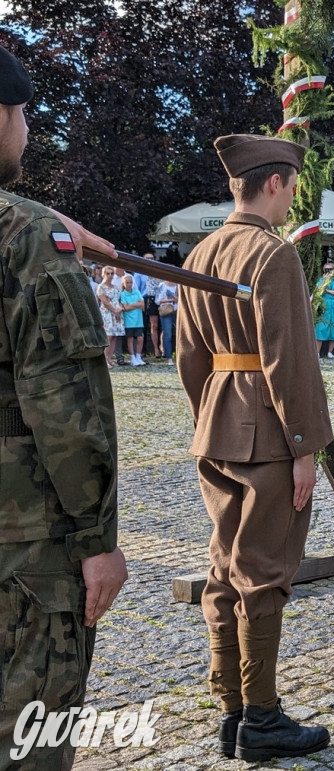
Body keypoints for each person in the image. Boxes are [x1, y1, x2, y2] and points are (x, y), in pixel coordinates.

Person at [176, 134, 334, 762]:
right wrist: (305, 447)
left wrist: (209, 416)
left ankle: (231, 712)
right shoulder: (273, 255)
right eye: (292, 184)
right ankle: (262, 719)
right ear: (274, 183)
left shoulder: (204, 250)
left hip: (217, 422)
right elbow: (290, 359)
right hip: (268, 431)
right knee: (263, 573)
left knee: (223, 570)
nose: (293, 195)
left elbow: (189, 357)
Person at [0, 43, 127, 769]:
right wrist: (96, 540)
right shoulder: (28, 243)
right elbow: (67, 409)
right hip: (22, 553)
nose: (27, 132)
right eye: (19, 114)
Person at [314, 261, 334, 358]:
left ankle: (330, 352)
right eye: (326, 270)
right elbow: (318, 292)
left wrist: (327, 291)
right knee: (321, 328)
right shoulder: (320, 281)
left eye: (330, 270)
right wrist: (324, 282)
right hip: (324, 306)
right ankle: (317, 353)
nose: (328, 272)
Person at [96, 266, 124, 368]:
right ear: (103, 274)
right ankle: (104, 360)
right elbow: (104, 301)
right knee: (108, 337)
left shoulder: (116, 287)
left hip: (117, 314)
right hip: (107, 314)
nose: (110, 275)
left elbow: (120, 300)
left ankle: (109, 358)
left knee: (114, 336)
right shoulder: (101, 287)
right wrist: (114, 310)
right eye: (107, 273)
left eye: (112, 273)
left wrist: (120, 309)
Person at [119, 273, 147, 366]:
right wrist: (136, 304)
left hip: (138, 320)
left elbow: (142, 305)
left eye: (130, 282)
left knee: (140, 338)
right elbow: (125, 308)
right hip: (129, 320)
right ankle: (132, 357)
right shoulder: (123, 294)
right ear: (124, 284)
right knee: (130, 339)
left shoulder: (137, 292)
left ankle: (138, 356)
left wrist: (131, 305)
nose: (129, 284)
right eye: (127, 283)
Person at [155, 280, 177, 364]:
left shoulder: (178, 285)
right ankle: (169, 357)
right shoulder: (162, 285)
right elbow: (157, 300)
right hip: (166, 312)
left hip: (177, 311)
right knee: (167, 335)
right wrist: (171, 300)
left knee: (180, 334)